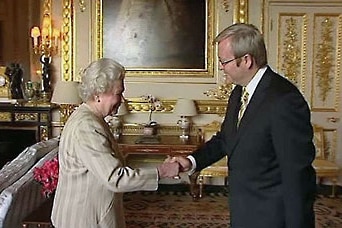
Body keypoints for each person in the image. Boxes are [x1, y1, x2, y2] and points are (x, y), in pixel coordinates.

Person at [171, 23, 316, 228]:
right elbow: (226, 139)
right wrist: (191, 161)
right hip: (245, 210)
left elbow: (297, 174)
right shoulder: (239, 92)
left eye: (224, 61)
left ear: (246, 60)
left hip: (274, 217)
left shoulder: (284, 100)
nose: (221, 67)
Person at [51, 58, 179, 228]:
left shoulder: (90, 118)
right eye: (118, 93)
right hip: (84, 219)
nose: (122, 100)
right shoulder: (86, 127)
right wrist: (161, 171)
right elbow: (115, 178)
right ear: (98, 94)